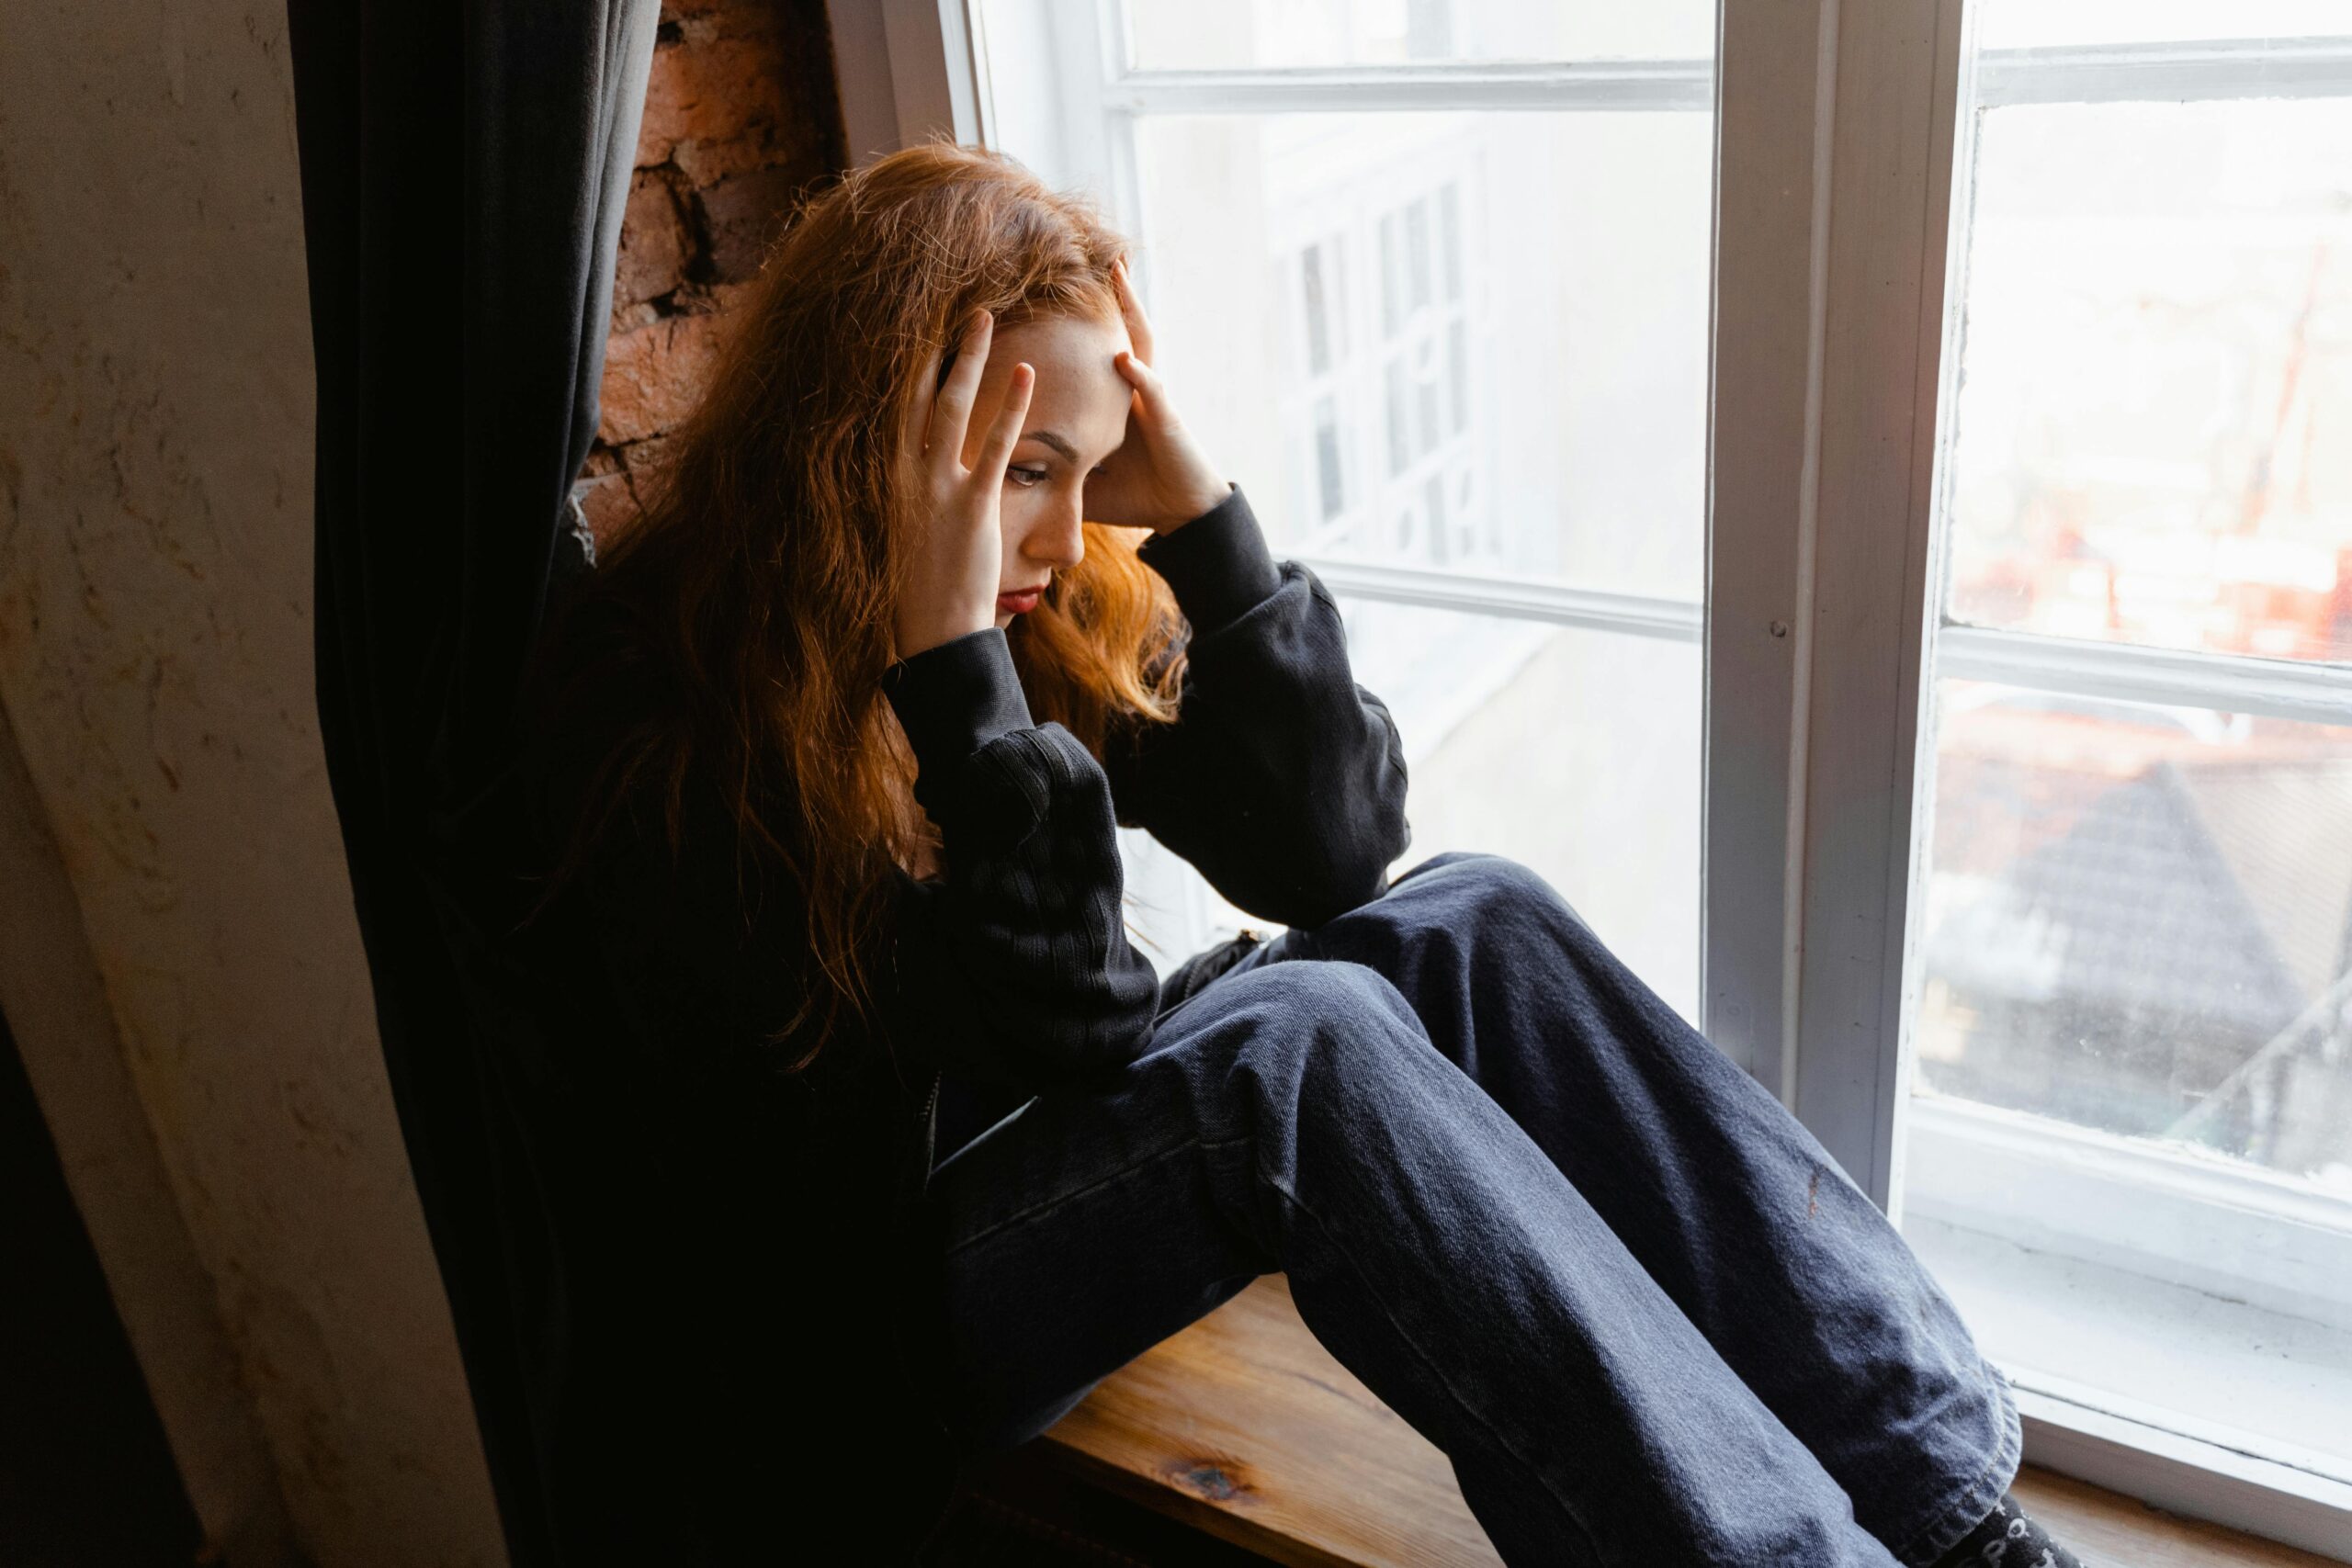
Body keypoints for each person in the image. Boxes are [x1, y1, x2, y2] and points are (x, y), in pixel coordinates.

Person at [498, 141, 2081, 1567]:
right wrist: (953, 680)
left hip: (1017, 1148)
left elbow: (1334, 851)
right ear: (873, 444)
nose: (1058, 535)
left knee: (1475, 917)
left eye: (1089, 461)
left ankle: (1954, 1524)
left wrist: (1198, 512)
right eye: (1022, 472)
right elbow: (1062, 1040)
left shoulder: (1039, 603)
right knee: (1294, 1047)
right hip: (846, 1334)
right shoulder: (662, 707)